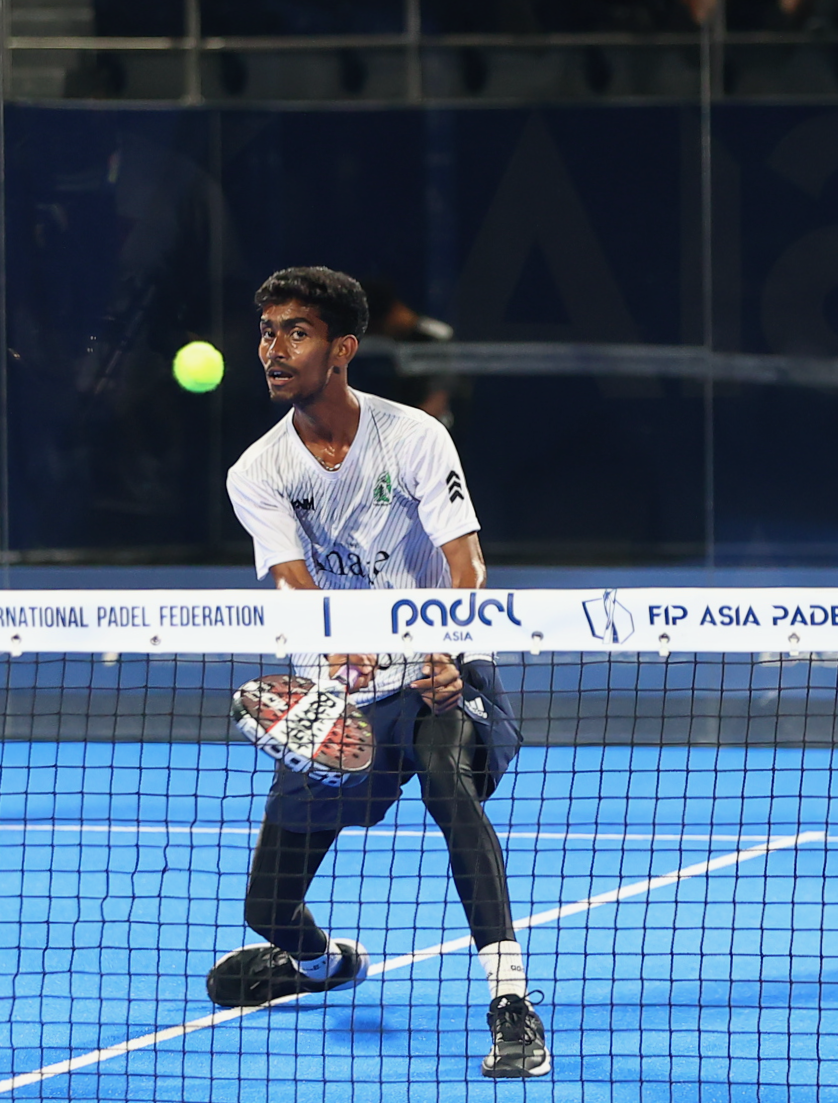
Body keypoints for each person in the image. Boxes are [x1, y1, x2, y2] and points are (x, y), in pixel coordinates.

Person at [209, 267, 551, 1078]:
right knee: (267, 906)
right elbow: (294, 582)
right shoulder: (257, 471)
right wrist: (336, 645)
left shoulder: (414, 437)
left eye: (296, 331)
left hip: (439, 671)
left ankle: (511, 1003)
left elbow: (467, 565)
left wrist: (447, 646)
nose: (273, 348)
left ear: (343, 349)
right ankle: (323, 964)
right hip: (339, 693)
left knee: (446, 778)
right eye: (267, 332)